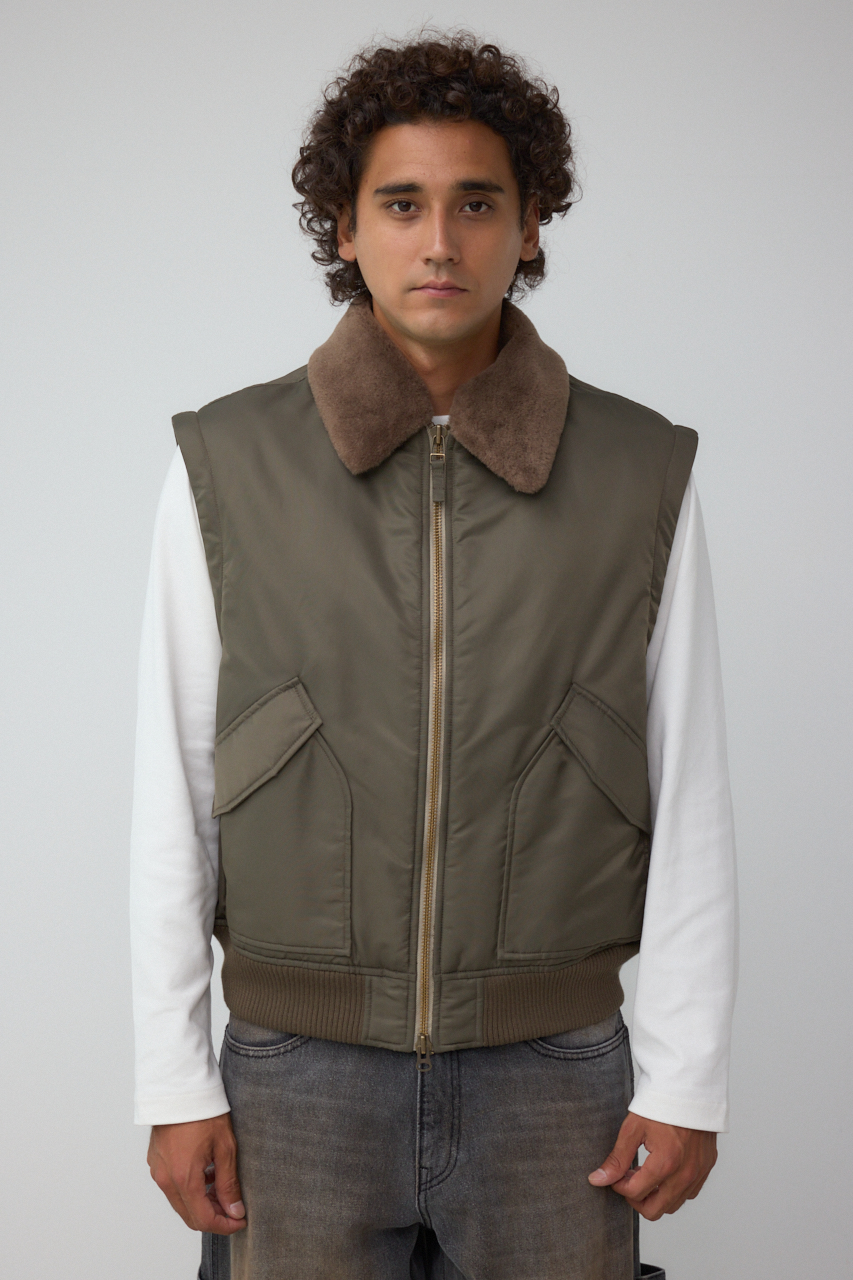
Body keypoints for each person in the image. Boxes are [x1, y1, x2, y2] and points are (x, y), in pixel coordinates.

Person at [130, 32, 737, 1280]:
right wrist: (173, 1076)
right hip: (296, 1073)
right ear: (345, 228)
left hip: (553, 1072)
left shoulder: (639, 470)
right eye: (402, 204)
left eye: (477, 203)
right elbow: (174, 789)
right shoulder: (228, 463)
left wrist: (688, 1075)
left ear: (530, 224)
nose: (441, 242)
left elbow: (690, 792)